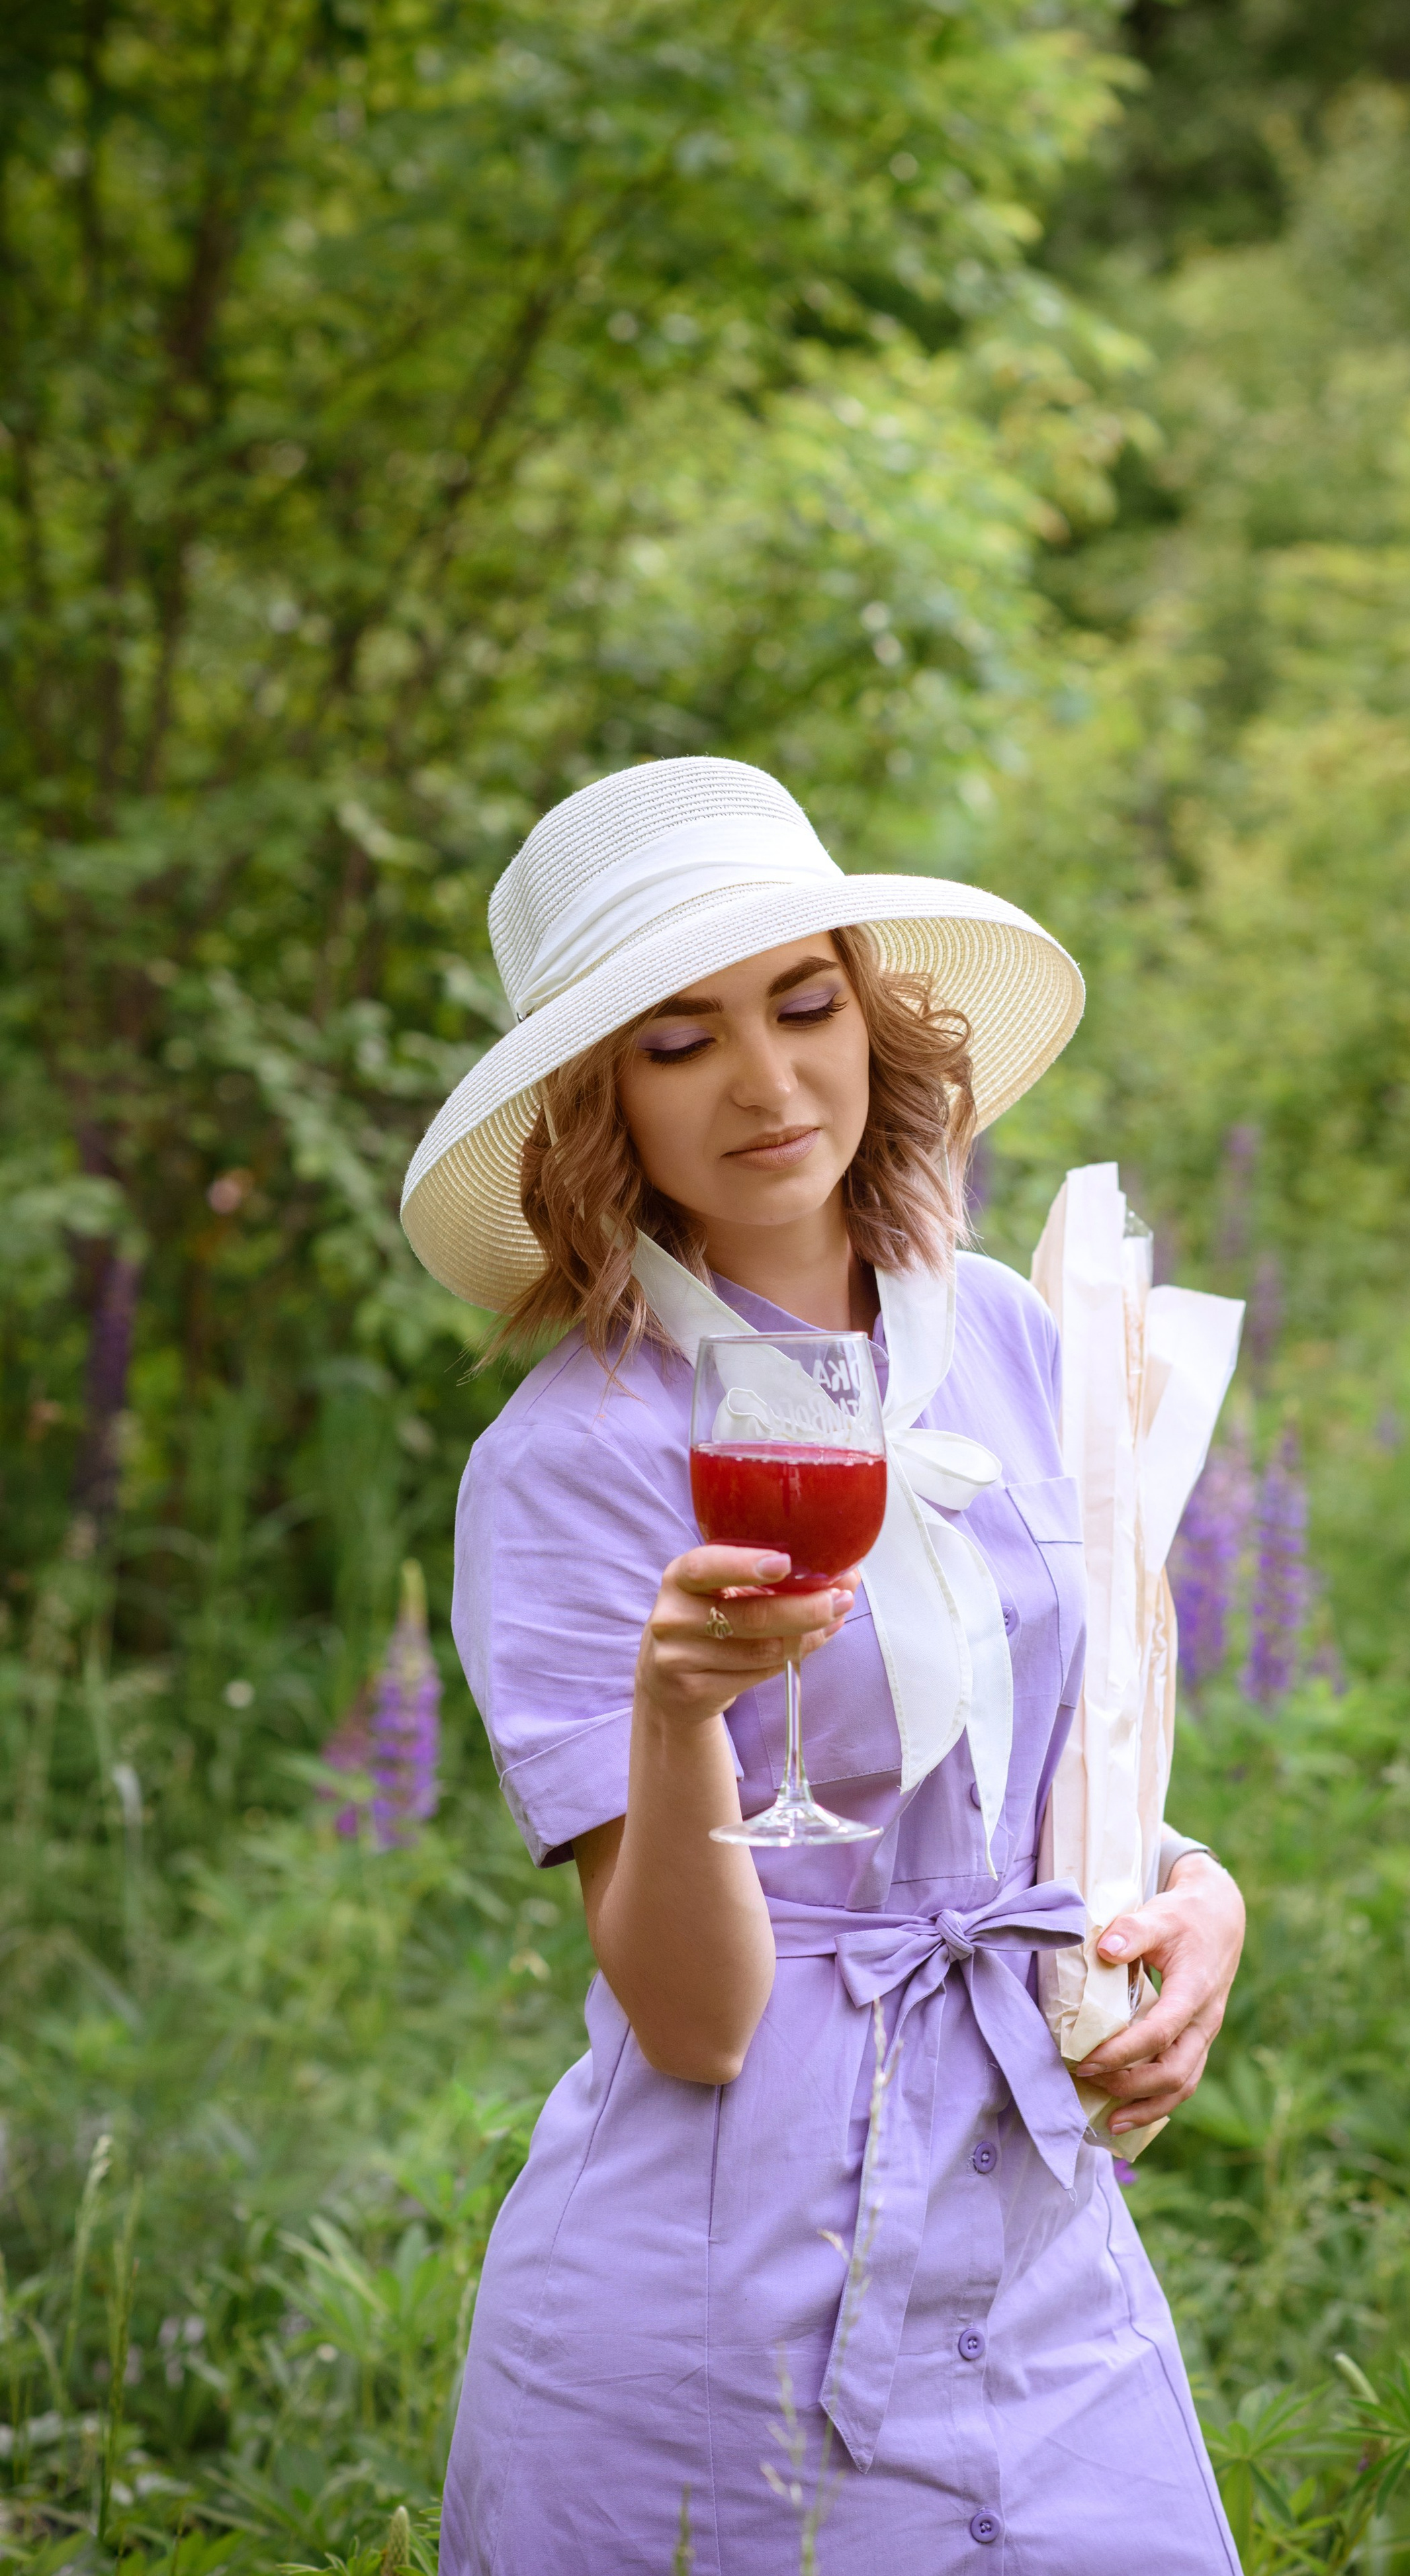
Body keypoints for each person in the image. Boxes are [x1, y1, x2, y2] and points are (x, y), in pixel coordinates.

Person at [401, 757, 1247, 2575]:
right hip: (718, 2310)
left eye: (806, 1002)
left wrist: (1196, 1894)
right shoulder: (573, 1460)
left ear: (876, 1016)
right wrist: (678, 1705)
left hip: (1040, 2271)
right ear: (600, 1096)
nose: (772, 1082)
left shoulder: (1014, 1335)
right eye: (682, 1037)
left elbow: (1083, 1741)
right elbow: (700, 2022)